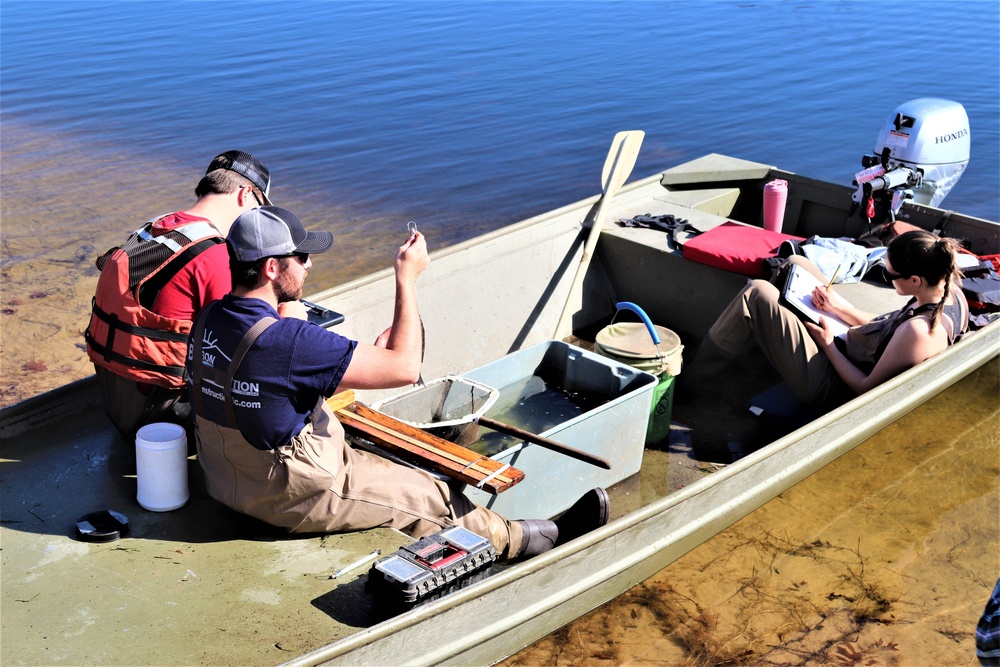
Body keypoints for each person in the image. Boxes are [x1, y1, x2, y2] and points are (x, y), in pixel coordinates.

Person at [186, 206, 608, 560]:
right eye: (301, 257)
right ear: (271, 267)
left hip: (226, 479)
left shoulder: (209, 318)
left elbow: (268, 373)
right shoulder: (289, 343)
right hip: (289, 496)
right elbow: (405, 366)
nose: (310, 263)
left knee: (371, 442)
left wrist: (307, 325)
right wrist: (406, 277)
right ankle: (525, 540)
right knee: (431, 495)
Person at [86, 150, 272, 441]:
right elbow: (238, 340)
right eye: (260, 207)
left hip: (120, 398)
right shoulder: (214, 253)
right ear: (246, 194)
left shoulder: (155, 228)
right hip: (168, 416)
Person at [689, 229, 969, 410]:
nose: (887, 276)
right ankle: (765, 349)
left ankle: (697, 380)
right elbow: (887, 325)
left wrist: (828, 347)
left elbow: (864, 389)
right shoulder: (949, 292)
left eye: (889, 274)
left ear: (915, 280)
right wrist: (836, 309)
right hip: (856, 348)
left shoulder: (918, 333)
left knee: (757, 293)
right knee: (796, 264)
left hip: (835, 389)